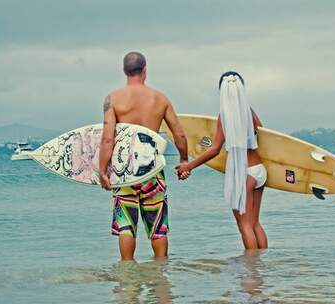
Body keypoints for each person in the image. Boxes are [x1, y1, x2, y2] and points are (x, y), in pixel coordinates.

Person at [99, 51, 188, 261]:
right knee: (158, 228)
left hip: (124, 172)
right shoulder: (160, 99)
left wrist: (102, 170)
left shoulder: (112, 99)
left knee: (126, 227)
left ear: (124, 71)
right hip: (152, 171)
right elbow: (180, 134)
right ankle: (161, 279)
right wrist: (184, 160)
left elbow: (107, 139)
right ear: (145, 70)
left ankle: (128, 279)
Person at [176, 71, 268, 250]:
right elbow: (264, 136)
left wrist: (190, 165)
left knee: (245, 225)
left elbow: (215, 149)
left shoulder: (225, 116)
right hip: (259, 171)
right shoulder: (250, 112)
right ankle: (260, 266)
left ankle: (250, 272)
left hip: (244, 175)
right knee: (255, 222)